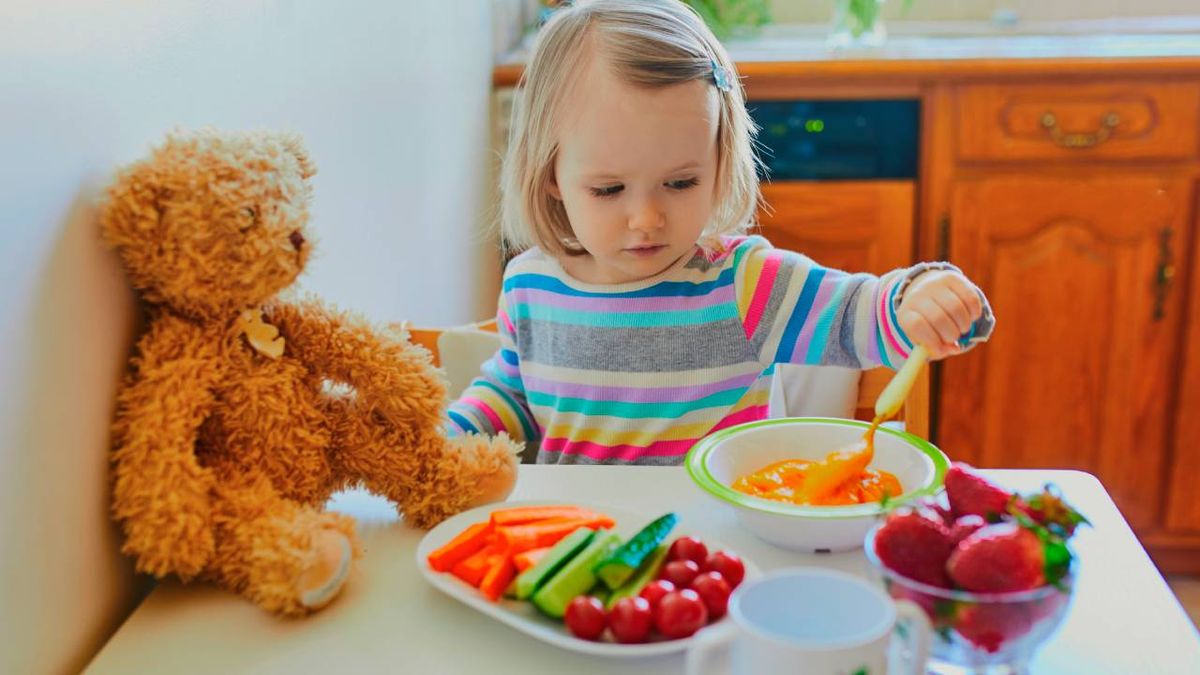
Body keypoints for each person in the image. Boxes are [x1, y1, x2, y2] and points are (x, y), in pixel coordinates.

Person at [446, 0, 993, 465]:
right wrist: (448, 437)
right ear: (551, 177)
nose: (646, 218)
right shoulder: (529, 286)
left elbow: (859, 314)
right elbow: (514, 393)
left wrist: (918, 299)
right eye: (609, 190)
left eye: (680, 182)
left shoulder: (745, 283)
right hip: (573, 552)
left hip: (708, 562)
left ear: (720, 160)